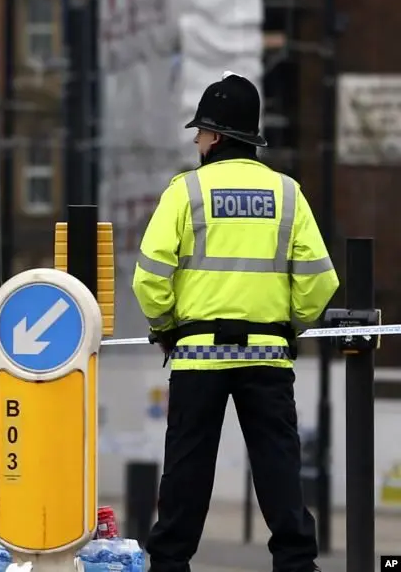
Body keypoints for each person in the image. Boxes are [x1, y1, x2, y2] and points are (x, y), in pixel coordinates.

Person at [132, 72, 339, 572]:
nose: (197, 142)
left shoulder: (185, 192)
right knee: (278, 465)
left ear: (216, 135)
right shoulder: (288, 193)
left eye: (200, 132)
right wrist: (289, 326)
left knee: (187, 469)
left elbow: (149, 277)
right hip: (268, 355)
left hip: (197, 355)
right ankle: (296, 563)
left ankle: (170, 564)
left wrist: (165, 327)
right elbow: (319, 280)